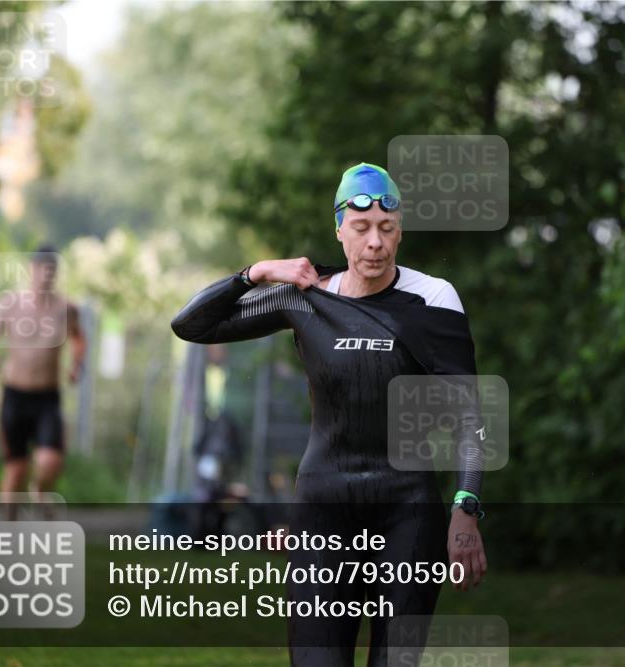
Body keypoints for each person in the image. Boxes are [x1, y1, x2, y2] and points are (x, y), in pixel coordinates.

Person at [171, 162, 487, 666]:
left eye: (386, 228)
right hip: (323, 510)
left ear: (400, 231)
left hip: (407, 513)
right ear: (340, 229)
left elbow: (469, 415)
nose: (375, 243)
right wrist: (256, 273)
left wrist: (465, 507)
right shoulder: (306, 297)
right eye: (361, 228)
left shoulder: (432, 299)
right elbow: (191, 325)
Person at [0, 244, 86, 506]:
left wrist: (76, 364)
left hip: (47, 397)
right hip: (15, 395)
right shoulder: (10, 303)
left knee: (51, 461)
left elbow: (80, 339)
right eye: (42, 269)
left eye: (52, 270)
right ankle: (9, 526)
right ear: (31, 269)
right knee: (16, 469)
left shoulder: (67, 309)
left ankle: (39, 489)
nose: (46, 276)